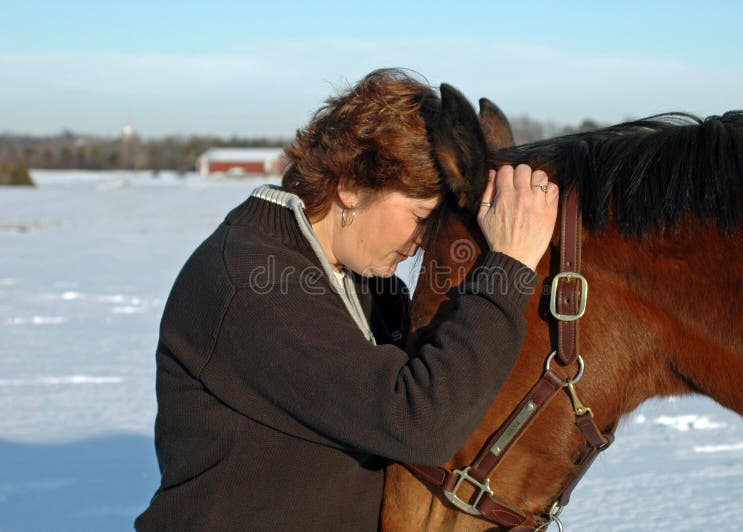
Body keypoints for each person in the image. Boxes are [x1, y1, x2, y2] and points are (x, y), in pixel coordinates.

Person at [135, 68, 558, 531]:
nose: (421, 242)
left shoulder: (353, 277)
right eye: (420, 216)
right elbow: (416, 422)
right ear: (352, 185)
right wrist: (509, 268)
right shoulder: (253, 283)